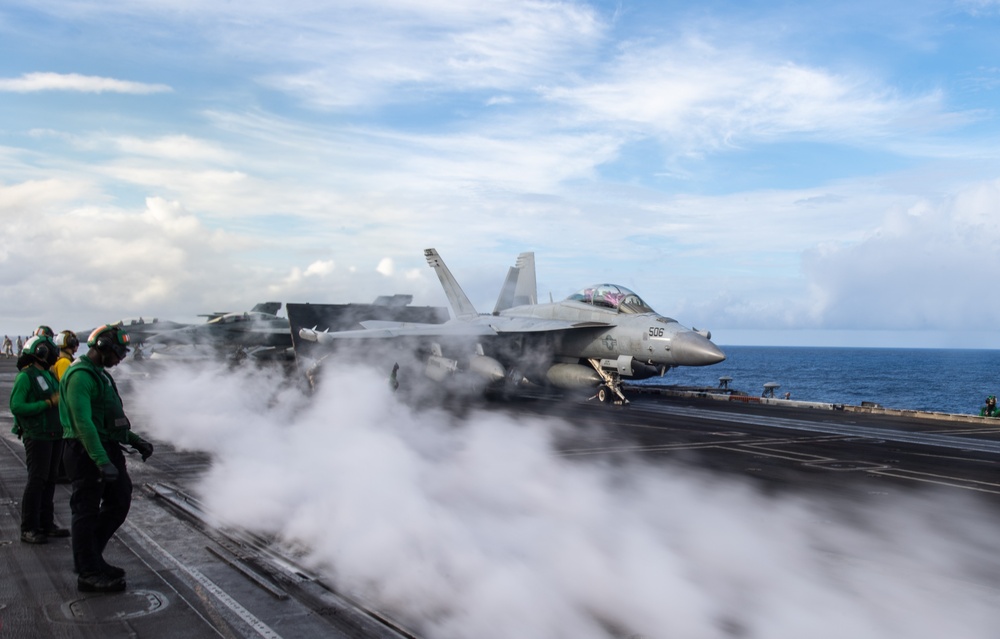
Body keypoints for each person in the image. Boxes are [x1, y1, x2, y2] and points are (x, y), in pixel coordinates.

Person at [60, 325, 154, 593]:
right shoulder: (80, 376)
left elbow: (111, 421)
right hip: (85, 451)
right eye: (118, 352)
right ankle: (88, 572)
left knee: (119, 500)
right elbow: (84, 424)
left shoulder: (100, 375)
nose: (121, 358)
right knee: (85, 512)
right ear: (102, 348)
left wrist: (136, 441)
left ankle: (93, 557)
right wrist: (101, 461)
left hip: (105, 447)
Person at [9, 335, 69, 544]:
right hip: (37, 435)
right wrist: (46, 404)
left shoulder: (49, 374)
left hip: (55, 434)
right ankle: (29, 528)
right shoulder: (26, 377)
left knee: (50, 479)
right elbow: (17, 406)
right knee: (37, 480)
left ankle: (46, 523)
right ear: (40, 353)